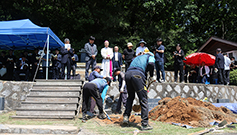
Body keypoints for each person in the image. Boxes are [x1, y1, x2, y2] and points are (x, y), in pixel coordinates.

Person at [123, 48, 155, 130]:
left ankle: (126, 117)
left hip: (128, 74)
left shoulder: (137, 57)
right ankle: (144, 124)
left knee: (130, 97)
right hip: (138, 75)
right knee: (143, 100)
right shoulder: (150, 56)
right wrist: (151, 76)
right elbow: (151, 64)